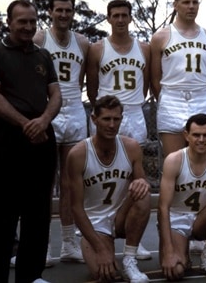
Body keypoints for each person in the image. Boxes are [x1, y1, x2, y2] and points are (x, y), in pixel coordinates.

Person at [0, 0, 61, 283]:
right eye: (22, 21)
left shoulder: (43, 56)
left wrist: (43, 121)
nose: (28, 27)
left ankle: (30, 276)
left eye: (32, 21)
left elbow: (56, 95)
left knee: (38, 215)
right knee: (2, 216)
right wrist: (26, 123)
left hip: (41, 138)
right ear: (9, 22)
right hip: (6, 140)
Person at [86, 0, 152, 260]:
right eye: (116, 15)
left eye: (125, 15)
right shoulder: (98, 49)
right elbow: (92, 87)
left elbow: (145, 85)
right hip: (109, 115)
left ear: (131, 18)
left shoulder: (143, 48)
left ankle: (134, 239)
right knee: (107, 175)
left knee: (134, 179)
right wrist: (105, 111)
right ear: (108, 19)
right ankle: (102, 230)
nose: (121, 20)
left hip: (134, 112)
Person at [66, 95, 151, 283]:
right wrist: (101, 249)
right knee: (104, 275)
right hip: (94, 222)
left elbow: (141, 180)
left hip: (121, 216)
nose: (112, 125)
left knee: (143, 195)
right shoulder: (78, 154)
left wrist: (142, 182)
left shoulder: (131, 147)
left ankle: (130, 259)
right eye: (106, 119)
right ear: (94, 119)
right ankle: (103, 247)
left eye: (116, 119)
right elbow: (76, 209)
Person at [33, 0, 89, 264]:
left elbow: (87, 78)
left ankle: (69, 242)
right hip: (48, 111)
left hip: (76, 110)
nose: (64, 15)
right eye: (59, 10)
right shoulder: (41, 39)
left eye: (68, 10)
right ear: (50, 12)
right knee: (44, 182)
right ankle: (42, 245)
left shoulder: (82, 42)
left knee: (70, 182)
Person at [158, 113, 206, 280]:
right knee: (176, 272)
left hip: (201, 218)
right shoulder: (174, 160)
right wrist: (169, 251)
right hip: (176, 219)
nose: (201, 139)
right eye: (196, 135)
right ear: (186, 135)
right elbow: (163, 208)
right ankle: (180, 250)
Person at [150, 0, 206, 158]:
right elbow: (155, 79)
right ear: (175, 5)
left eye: (195, 2)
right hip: (172, 99)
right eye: (186, 2)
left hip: (201, 97)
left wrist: (201, 92)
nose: (191, 6)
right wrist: (166, 97)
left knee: (202, 160)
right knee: (174, 161)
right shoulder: (161, 37)